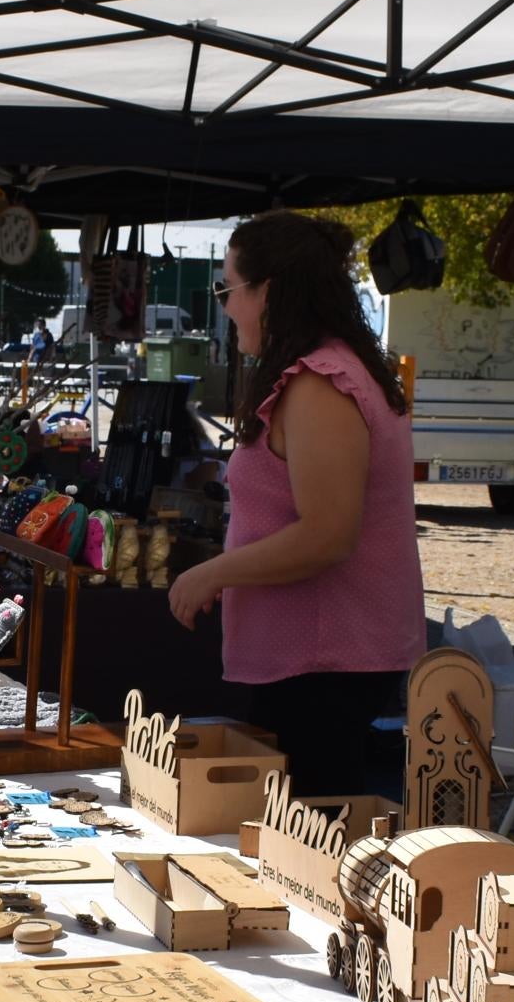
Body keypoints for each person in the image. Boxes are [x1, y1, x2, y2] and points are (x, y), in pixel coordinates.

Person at [163, 211, 424, 797]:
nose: (225, 307)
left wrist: (213, 573)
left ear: (270, 292)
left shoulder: (321, 382)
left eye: (228, 289)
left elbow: (328, 534)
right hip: (317, 657)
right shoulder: (328, 372)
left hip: (327, 659)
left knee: (309, 834)